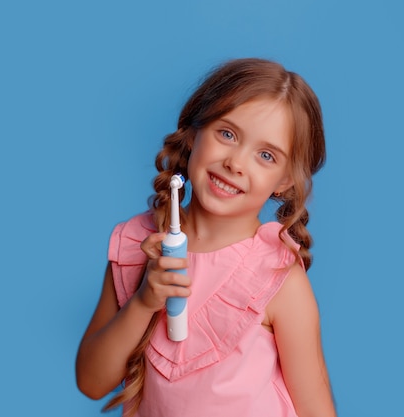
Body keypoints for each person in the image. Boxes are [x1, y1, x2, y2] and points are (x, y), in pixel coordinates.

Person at [75, 57, 336, 417]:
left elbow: (315, 408)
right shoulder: (138, 246)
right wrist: (143, 302)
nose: (236, 163)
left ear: (284, 181)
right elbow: (91, 382)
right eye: (227, 134)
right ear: (194, 132)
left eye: (265, 155)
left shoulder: (277, 278)